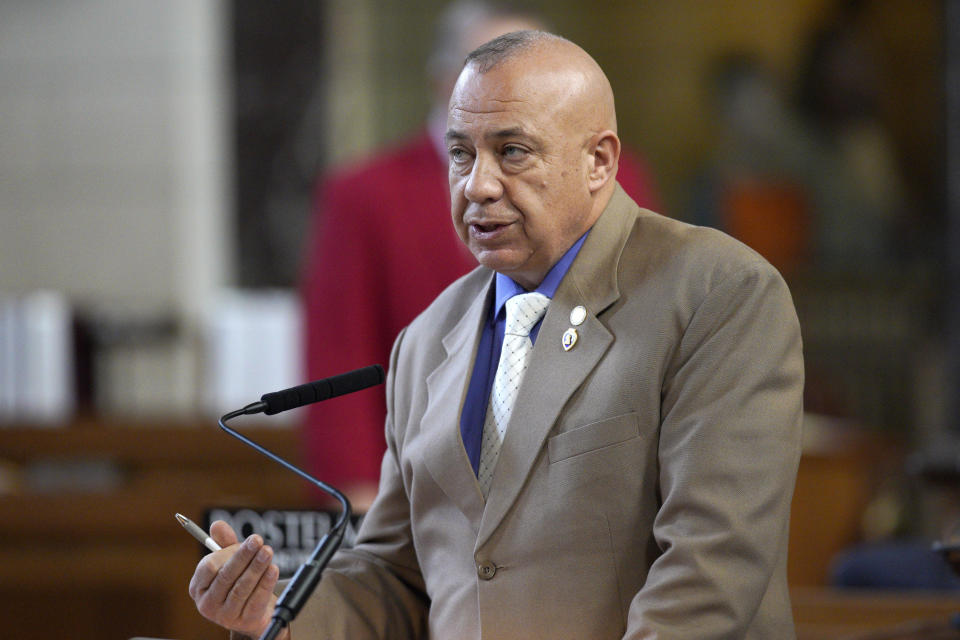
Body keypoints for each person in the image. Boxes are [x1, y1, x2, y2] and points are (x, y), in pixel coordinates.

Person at [191, 31, 803, 639]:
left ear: (600, 161)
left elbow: (710, 572)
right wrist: (280, 613)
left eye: (512, 151)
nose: (477, 185)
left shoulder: (718, 294)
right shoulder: (426, 340)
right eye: (460, 153)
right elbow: (396, 579)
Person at [300, 1, 660, 507]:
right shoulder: (366, 194)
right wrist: (359, 499)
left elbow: (644, 335)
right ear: (445, 81)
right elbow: (340, 351)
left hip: (582, 489)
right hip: (424, 489)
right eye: (490, 68)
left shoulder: (615, 183)